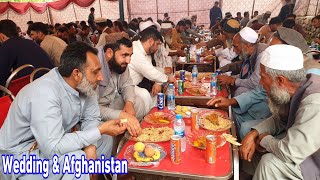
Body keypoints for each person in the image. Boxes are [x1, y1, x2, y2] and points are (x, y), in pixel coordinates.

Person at [0, 42, 127, 180]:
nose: (101, 77)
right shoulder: (45, 93)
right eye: (95, 72)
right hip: (20, 155)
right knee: (77, 159)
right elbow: (52, 147)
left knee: (105, 139)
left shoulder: (85, 85)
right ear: (76, 74)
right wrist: (99, 130)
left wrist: (90, 146)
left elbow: (91, 118)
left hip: (49, 143)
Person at [240, 44, 320, 180]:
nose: (260, 82)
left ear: (280, 80)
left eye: (263, 77)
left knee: (270, 164)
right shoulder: (295, 87)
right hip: (302, 148)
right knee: (253, 139)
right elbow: (280, 119)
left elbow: (290, 152)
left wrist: (265, 140)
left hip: (314, 162)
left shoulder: (314, 103)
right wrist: (254, 134)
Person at [97, 37, 144, 138]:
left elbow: (127, 83)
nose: (128, 61)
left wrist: (129, 103)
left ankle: (128, 137)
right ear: (109, 53)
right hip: (96, 111)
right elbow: (91, 108)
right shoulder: (94, 66)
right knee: (106, 137)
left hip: (111, 102)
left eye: (130, 56)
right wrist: (121, 115)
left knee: (138, 102)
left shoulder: (120, 63)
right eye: (124, 55)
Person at [129, 27, 176, 111]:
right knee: (145, 94)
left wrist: (163, 72)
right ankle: (147, 119)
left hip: (137, 83)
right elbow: (149, 71)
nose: (157, 48)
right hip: (127, 87)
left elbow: (150, 68)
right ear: (150, 41)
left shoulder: (145, 51)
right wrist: (167, 78)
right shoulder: (136, 51)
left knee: (157, 92)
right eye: (157, 44)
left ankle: (156, 114)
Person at [0, 19, 54, 86]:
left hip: (37, 86)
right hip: (52, 79)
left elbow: (1, 74)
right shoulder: (30, 42)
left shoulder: (7, 45)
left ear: (2, 36)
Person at [218, 27, 268, 96]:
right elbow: (244, 75)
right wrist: (228, 78)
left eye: (236, 47)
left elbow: (255, 82)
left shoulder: (262, 55)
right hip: (255, 85)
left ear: (247, 46)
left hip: (265, 92)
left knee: (240, 91)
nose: (234, 50)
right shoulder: (249, 52)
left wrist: (232, 80)